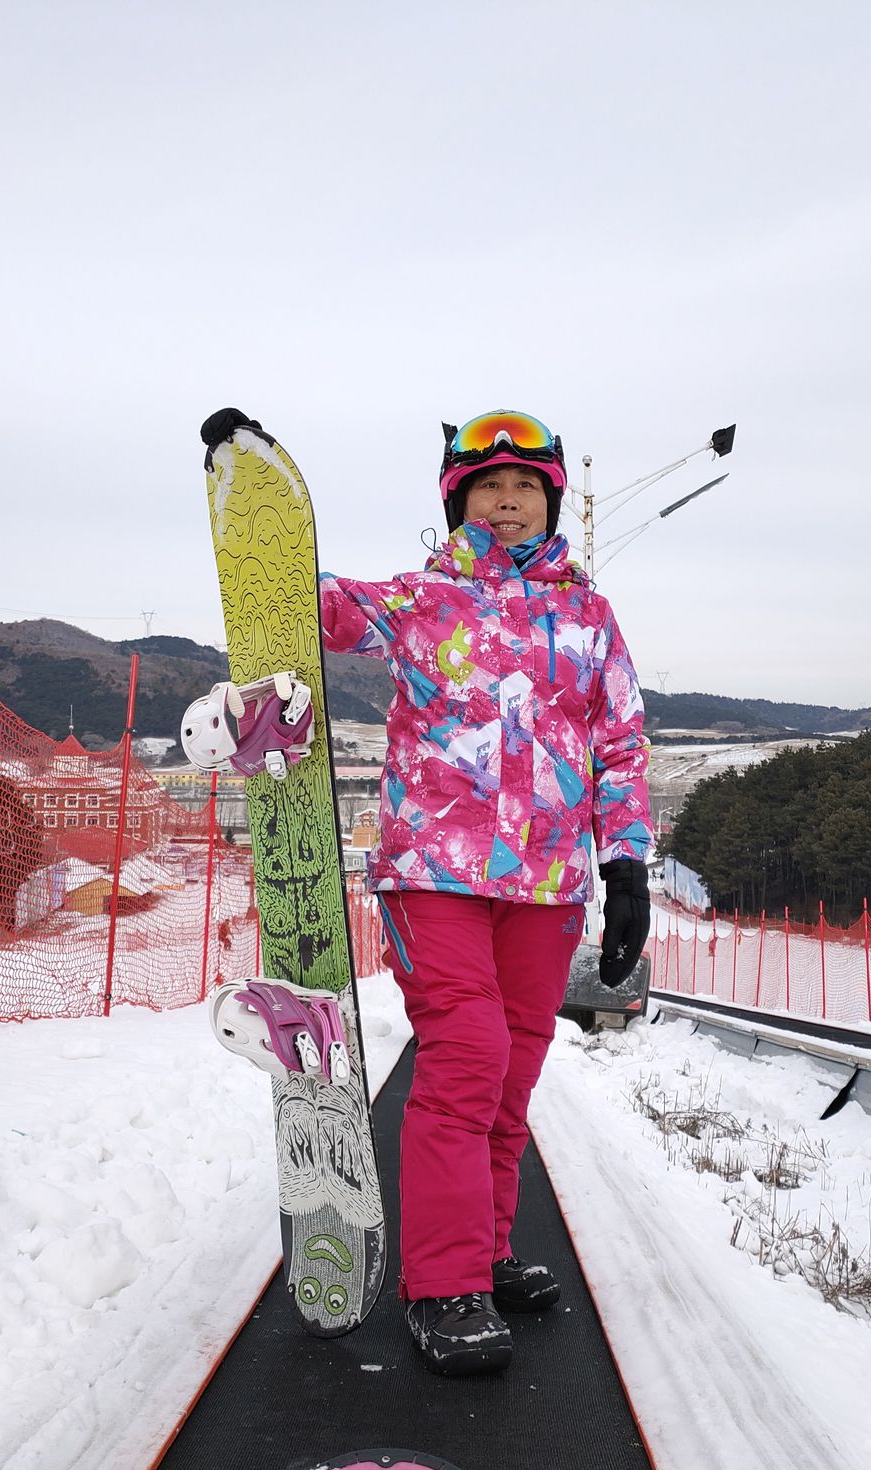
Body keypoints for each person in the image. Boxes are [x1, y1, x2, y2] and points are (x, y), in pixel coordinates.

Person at [316, 408, 654, 1376]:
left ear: (548, 502)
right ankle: (441, 1283)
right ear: (456, 501)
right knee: (464, 1058)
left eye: (524, 489)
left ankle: (486, 1250)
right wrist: (259, 518)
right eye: (486, 489)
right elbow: (314, 609)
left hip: (545, 884)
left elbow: (620, 742)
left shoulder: (586, 615)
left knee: (510, 1075)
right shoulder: (421, 599)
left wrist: (624, 862)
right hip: (435, 872)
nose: (506, 503)